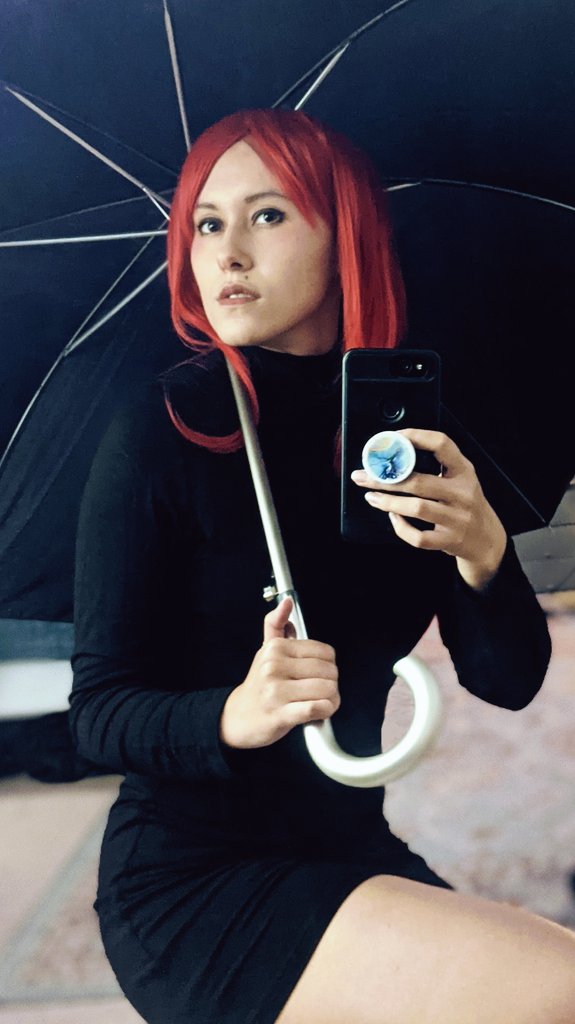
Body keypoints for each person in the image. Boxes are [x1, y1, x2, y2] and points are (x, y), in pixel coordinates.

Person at [69, 109, 575, 1024]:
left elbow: (506, 684)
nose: (227, 252)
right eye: (206, 224)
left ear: (348, 235)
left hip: (346, 848)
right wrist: (234, 712)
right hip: (195, 881)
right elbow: (99, 711)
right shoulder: (165, 429)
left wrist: (484, 554)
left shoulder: (411, 436)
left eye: (267, 215)